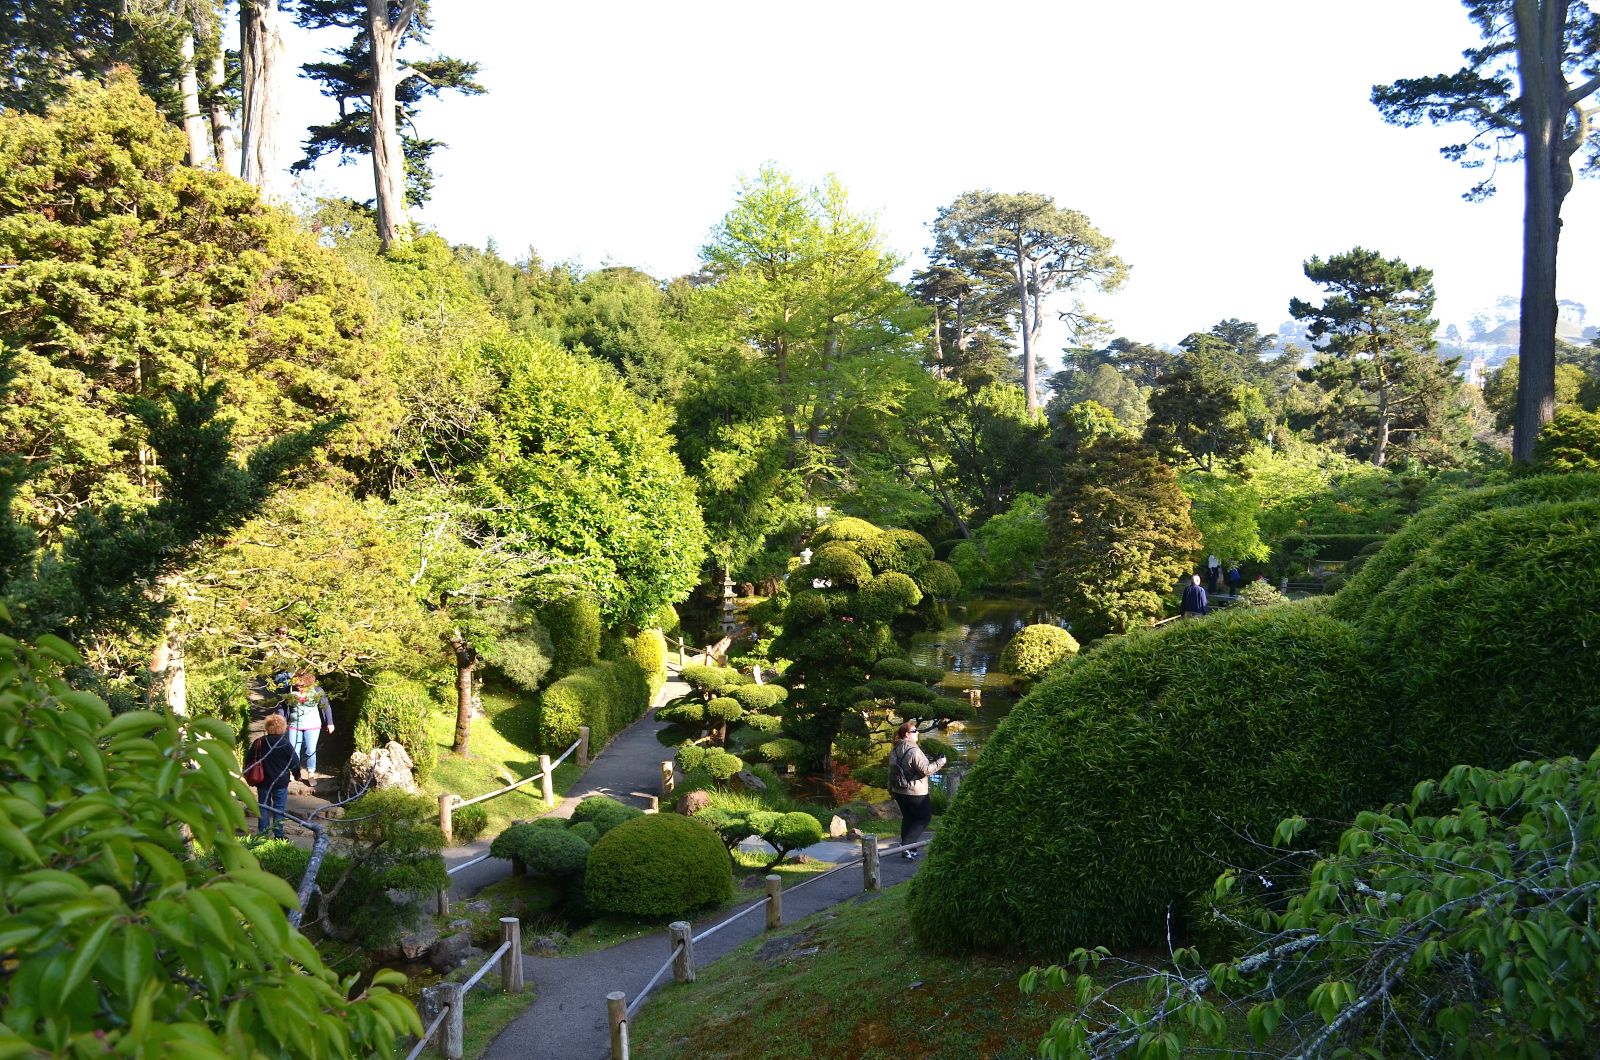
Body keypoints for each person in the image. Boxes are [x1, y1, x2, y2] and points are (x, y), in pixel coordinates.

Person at [888, 721, 946, 860]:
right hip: (915, 791)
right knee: (924, 818)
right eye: (915, 731)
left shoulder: (895, 749)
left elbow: (891, 771)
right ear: (907, 735)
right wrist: (941, 762)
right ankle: (906, 847)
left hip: (898, 790)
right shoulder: (914, 750)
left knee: (908, 817)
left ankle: (910, 849)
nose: (918, 732)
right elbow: (926, 770)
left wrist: (890, 788)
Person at [245, 714, 302, 838]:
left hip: (262, 781)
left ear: (267, 727)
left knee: (263, 808)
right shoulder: (285, 744)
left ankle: (263, 834)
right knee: (279, 808)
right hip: (281, 782)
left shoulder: (259, 741)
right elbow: (295, 762)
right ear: (283, 727)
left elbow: (248, 759)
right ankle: (279, 834)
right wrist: (297, 775)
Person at [282, 670, 335, 777]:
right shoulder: (289, 690)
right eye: (297, 685)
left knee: (311, 750)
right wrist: (280, 722)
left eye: (301, 685)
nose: (299, 687)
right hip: (294, 725)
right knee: (293, 750)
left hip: (312, 725)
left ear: (308, 683)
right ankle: (294, 772)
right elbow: (282, 707)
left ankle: (311, 773)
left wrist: (330, 723)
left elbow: (326, 706)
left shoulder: (317, 690)